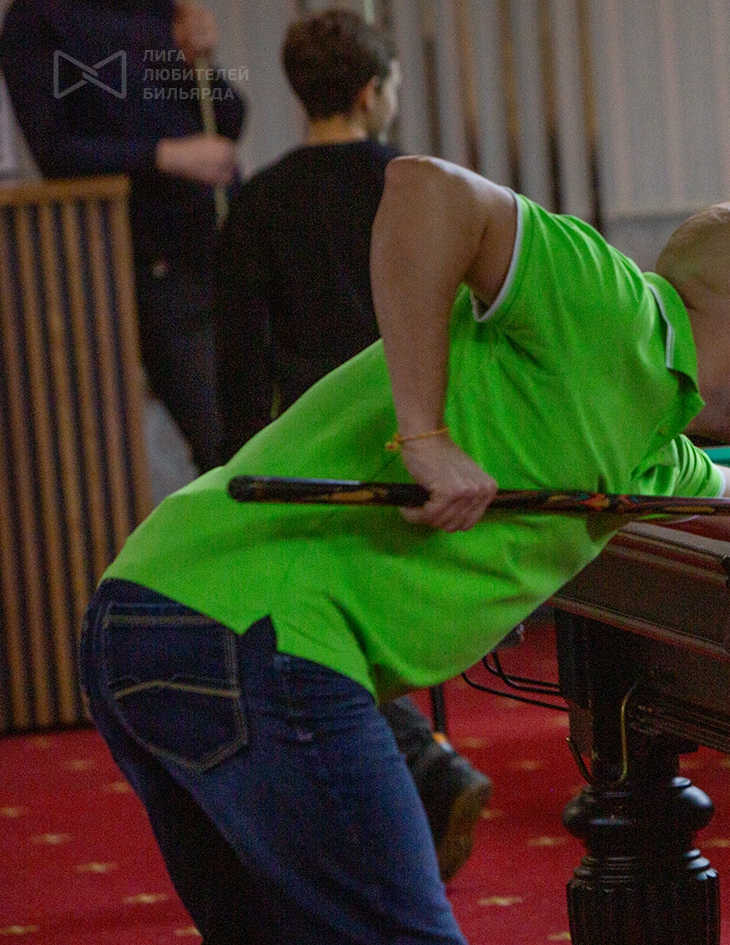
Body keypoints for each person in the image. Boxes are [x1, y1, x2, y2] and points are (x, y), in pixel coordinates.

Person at [79, 155, 730, 943]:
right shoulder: (608, 302)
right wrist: (425, 435)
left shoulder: (646, 446)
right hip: (258, 638)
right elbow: (423, 190)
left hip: (146, 616)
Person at [210, 9, 491, 884]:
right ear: (372, 92)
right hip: (415, 436)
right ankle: (418, 765)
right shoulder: (419, 187)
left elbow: (240, 351)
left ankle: (405, 776)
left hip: (311, 447)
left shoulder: (259, 199)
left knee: (306, 622)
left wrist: (239, 465)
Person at [0, 0, 244, 473]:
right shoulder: (35, 19)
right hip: (150, 256)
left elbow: (230, 118)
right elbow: (56, 153)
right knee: (222, 442)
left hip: (222, 238)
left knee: (268, 421)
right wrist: (164, 156)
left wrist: (202, 60)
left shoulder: (157, 8)